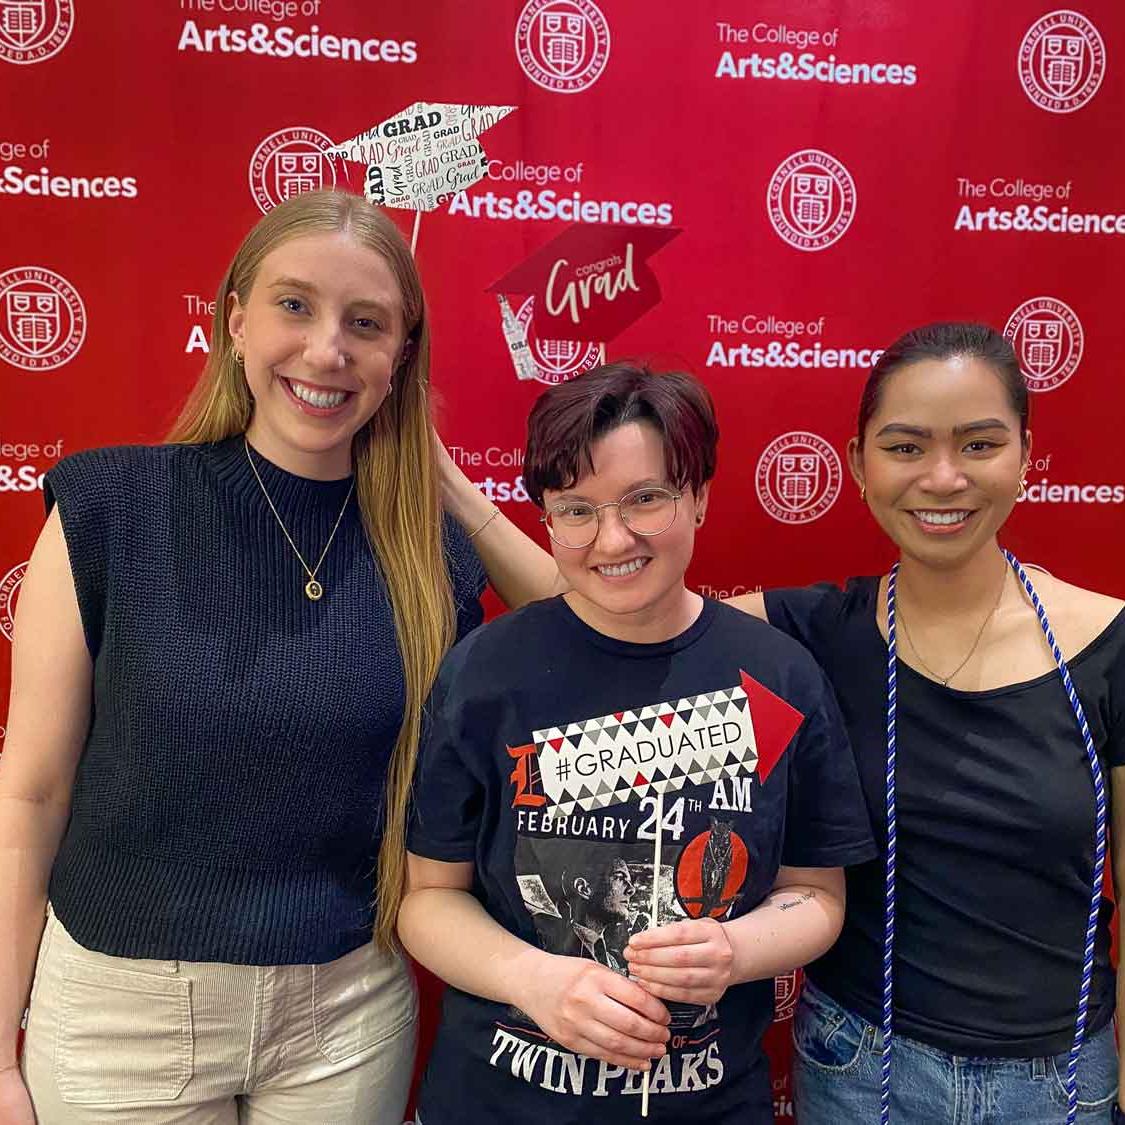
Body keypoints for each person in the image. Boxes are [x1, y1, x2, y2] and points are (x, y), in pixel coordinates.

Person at [0, 189, 509, 1124]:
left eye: (366, 323)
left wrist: (446, 483)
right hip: (119, 1015)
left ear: (402, 356)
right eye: (294, 305)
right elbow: (31, 793)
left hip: (348, 1016)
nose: (327, 350)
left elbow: (600, 635)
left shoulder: (432, 557)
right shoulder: (112, 508)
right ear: (234, 321)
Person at [400, 363, 876, 1123]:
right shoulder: (486, 671)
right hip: (498, 1102)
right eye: (576, 510)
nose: (611, 538)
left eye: (644, 499)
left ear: (698, 497)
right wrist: (532, 979)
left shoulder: (779, 676)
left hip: (711, 1103)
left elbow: (816, 895)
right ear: (547, 518)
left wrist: (737, 950)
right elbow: (429, 898)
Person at [725, 323, 1125, 1122]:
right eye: (905, 447)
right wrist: (464, 499)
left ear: (1024, 454)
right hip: (857, 1069)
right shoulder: (813, 633)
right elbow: (620, 615)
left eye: (979, 444)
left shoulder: (1108, 643)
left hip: (1057, 1086)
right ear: (857, 464)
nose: (942, 478)